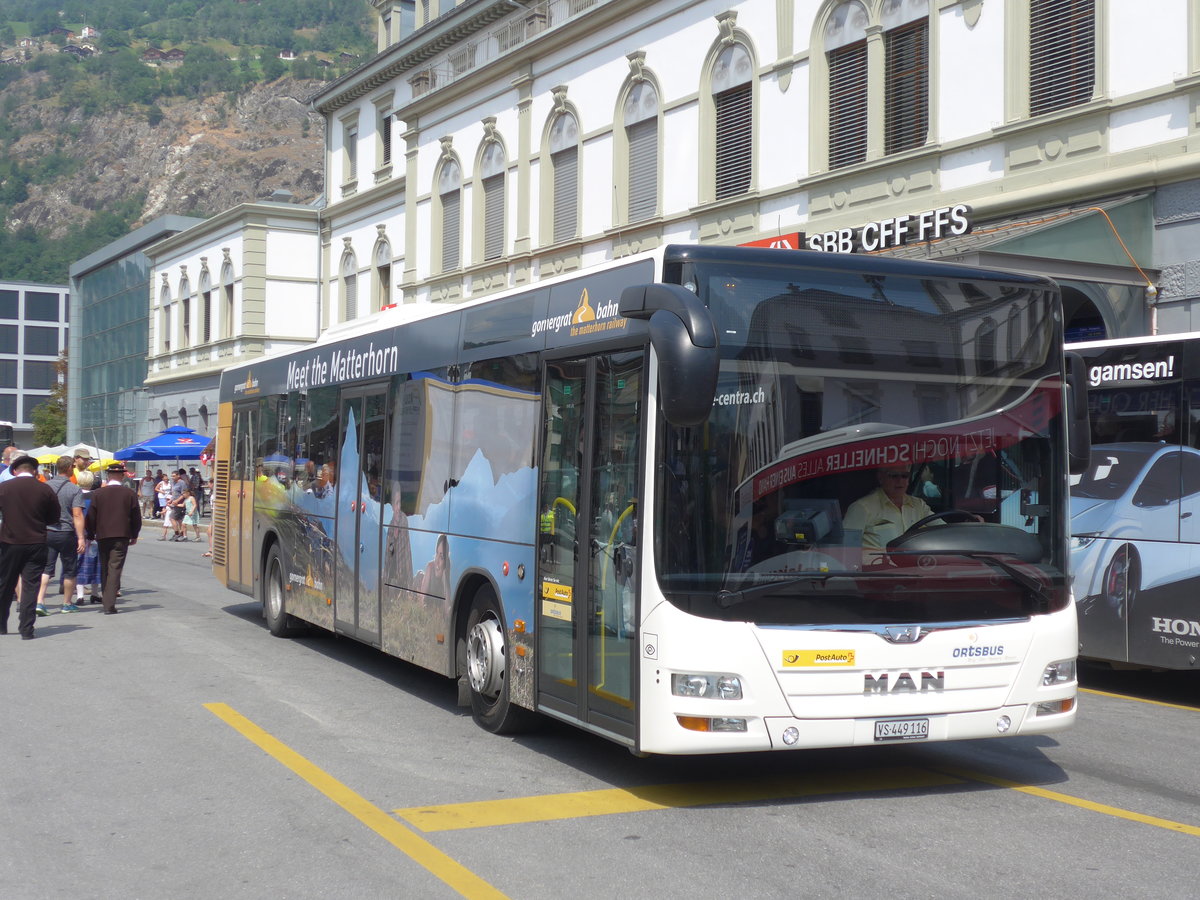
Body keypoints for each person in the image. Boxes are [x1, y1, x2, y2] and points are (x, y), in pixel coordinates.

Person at [0, 455, 61, 638]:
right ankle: (26, 629)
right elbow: (54, 518)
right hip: (36, 541)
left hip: (10, 541)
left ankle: (1, 625)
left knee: (5, 583)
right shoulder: (45, 489)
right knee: (31, 586)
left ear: (15, 471)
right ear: (34, 471)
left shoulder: (4, 488)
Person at [84, 462, 142, 615]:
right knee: (115, 568)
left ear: (108, 476)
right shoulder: (129, 493)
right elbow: (136, 517)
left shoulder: (98, 493)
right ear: (122, 476)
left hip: (102, 534)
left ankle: (107, 599)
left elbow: (91, 516)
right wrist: (134, 534)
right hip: (122, 535)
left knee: (105, 567)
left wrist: (90, 533)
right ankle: (109, 603)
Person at [843, 466, 935, 559]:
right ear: (880, 478)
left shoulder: (919, 505)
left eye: (904, 476)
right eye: (894, 475)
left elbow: (942, 530)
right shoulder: (861, 508)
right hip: (876, 567)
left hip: (915, 565)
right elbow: (845, 550)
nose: (900, 481)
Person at [36, 455, 87, 615]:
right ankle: (66, 603)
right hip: (66, 532)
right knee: (70, 569)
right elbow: (77, 514)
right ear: (70, 467)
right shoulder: (74, 489)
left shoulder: (45, 486)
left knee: (46, 568)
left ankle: (40, 601)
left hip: (47, 531)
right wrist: (81, 537)